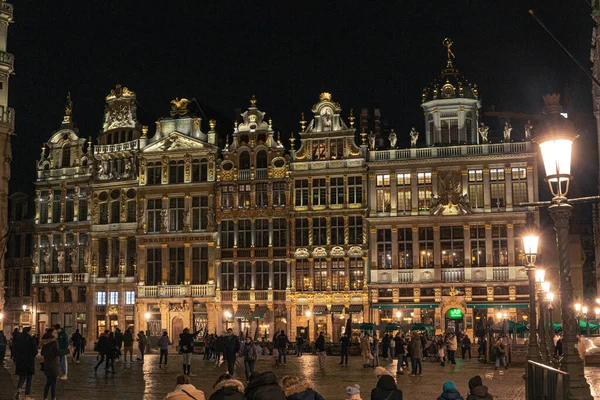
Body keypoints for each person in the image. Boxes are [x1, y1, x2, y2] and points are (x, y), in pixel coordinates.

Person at [14, 327, 37, 400]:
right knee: (29, 379)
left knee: (22, 377)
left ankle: (19, 390)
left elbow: (15, 349)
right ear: (28, 331)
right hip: (29, 361)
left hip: (20, 361)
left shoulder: (18, 338)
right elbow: (35, 351)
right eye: (31, 331)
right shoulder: (30, 339)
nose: (31, 332)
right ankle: (27, 395)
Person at [41, 328, 61, 400]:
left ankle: (45, 398)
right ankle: (53, 398)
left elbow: (42, 353)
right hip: (53, 366)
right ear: (52, 334)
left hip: (47, 366)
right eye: (55, 333)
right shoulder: (54, 342)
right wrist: (69, 350)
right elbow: (58, 353)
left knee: (48, 383)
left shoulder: (45, 343)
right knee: (53, 384)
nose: (57, 334)